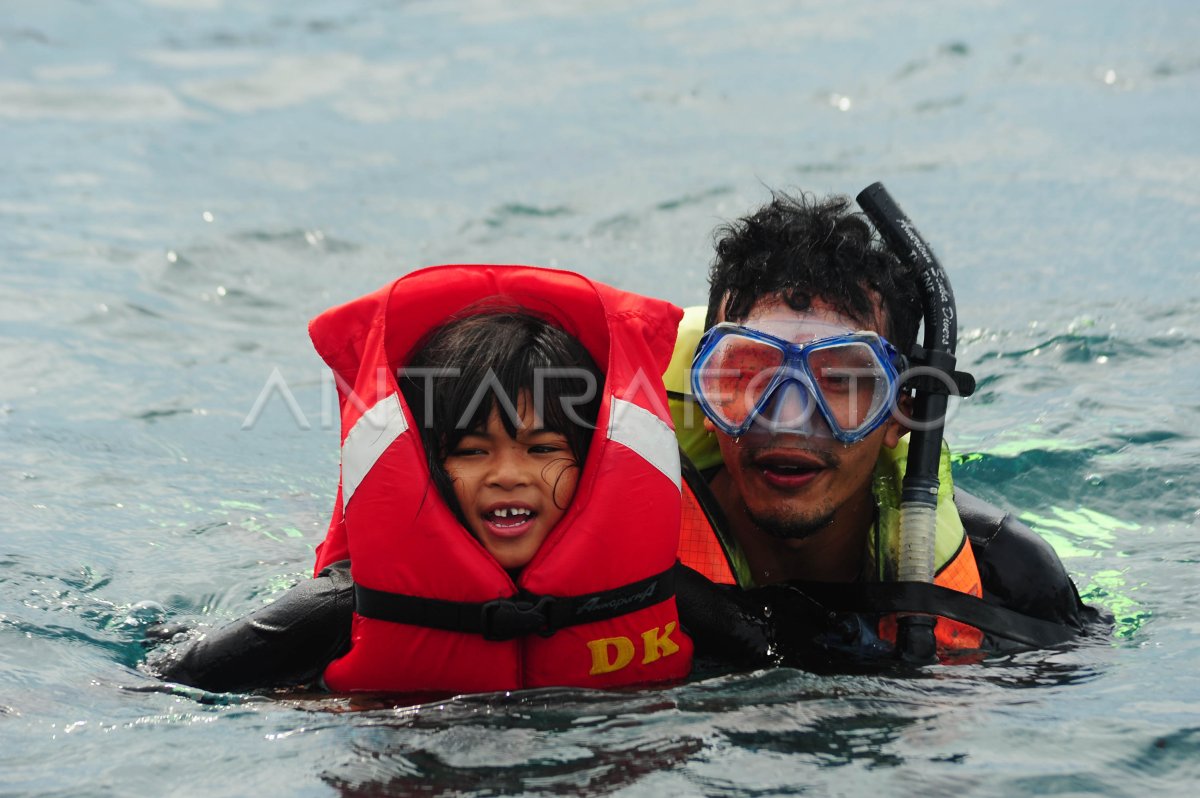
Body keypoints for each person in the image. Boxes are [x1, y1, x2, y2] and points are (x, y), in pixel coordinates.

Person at [146, 264, 692, 694]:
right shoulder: (338, 611)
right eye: (473, 451)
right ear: (428, 462)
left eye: (543, 449)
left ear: (592, 459)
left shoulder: (660, 596)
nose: (508, 476)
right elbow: (166, 679)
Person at [666, 189, 1107, 668]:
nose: (789, 418)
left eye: (841, 379)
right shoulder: (625, 550)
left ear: (901, 409)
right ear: (705, 396)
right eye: (751, 374)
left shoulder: (1010, 581)